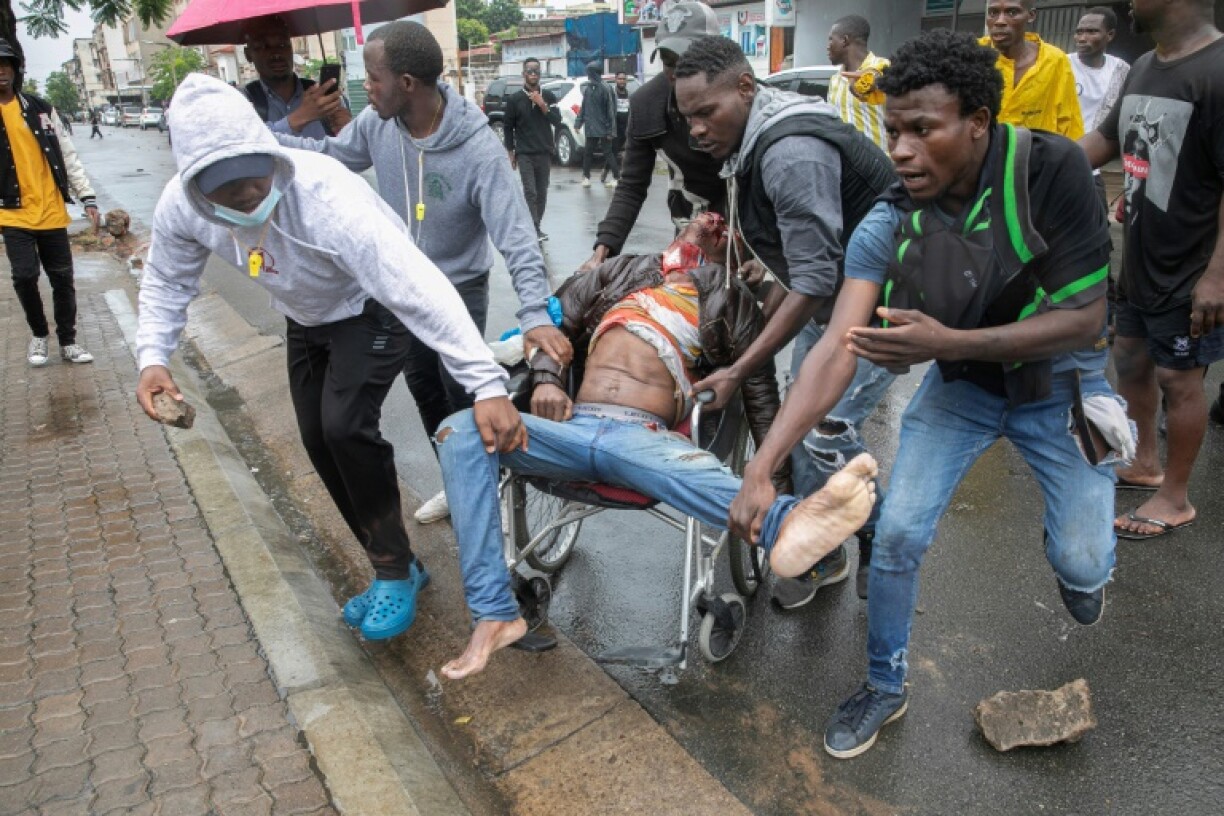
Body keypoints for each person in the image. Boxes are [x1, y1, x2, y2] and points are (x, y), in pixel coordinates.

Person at [731, 29, 1124, 759]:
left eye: (923, 130)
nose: (902, 151)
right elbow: (835, 350)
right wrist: (763, 465)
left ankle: (1078, 560)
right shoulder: (889, 219)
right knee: (900, 534)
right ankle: (884, 685)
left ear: (978, 122)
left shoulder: (1053, 171)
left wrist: (948, 341)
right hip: (964, 390)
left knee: (1082, 562)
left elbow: (1084, 318)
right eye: (893, 132)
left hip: (1061, 383)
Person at [135, 74, 525, 642]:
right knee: (317, 439)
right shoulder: (182, 207)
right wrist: (153, 357)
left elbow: (417, 286)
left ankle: (392, 573)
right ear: (197, 186)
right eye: (226, 190)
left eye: (254, 179)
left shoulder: (327, 199)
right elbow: (166, 280)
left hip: (369, 307)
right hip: (306, 316)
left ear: (268, 155)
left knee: (345, 427)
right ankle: (397, 560)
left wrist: (485, 384)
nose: (247, 197)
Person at [434, 213, 878, 679]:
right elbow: (550, 321)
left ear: (734, 251)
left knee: (697, 473)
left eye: (723, 224)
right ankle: (494, 611)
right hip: (570, 428)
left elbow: (760, 399)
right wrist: (546, 380)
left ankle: (789, 523)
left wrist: (772, 478)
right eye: (700, 215)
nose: (709, 219)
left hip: (641, 439)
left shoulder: (732, 299)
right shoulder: (618, 272)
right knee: (459, 430)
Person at [275, 21, 571, 526]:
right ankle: (458, 484)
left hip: (460, 287)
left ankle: (491, 495)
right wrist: (263, 143)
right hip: (403, 288)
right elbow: (334, 156)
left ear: (406, 83)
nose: (366, 88)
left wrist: (534, 313)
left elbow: (517, 238)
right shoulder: (377, 124)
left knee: (463, 392)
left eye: (373, 78)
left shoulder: (477, 148)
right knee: (426, 392)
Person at [673, 35, 896, 607]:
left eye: (706, 112)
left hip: (886, 307)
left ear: (746, 88)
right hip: (833, 296)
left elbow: (814, 278)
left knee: (822, 431)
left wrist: (739, 368)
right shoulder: (752, 138)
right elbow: (807, 263)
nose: (696, 130)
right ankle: (827, 553)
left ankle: (883, 540)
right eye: (688, 117)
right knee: (797, 424)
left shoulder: (790, 152)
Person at [1080, 0, 1223, 541]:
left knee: (1179, 378)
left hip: (1193, 264)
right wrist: (1033, 164)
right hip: (1141, 252)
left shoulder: (1217, 70)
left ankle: (1175, 497)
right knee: (1130, 358)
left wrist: (1218, 276)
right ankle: (1143, 462)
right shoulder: (1144, 65)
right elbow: (1107, 140)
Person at [581, 1, 726, 272]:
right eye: (669, 63)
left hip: (744, 232)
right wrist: (603, 250)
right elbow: (631, 185)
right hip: (689, 231)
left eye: (689, 62)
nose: (678, 73)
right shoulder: (647, 104)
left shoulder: (737, 99)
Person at [0, 38, 100, 367]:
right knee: (24, 276)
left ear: (16, 70)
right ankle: (39, 335)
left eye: (6, 65)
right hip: (12, 213)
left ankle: (68, 341)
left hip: (52, 211)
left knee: (62, 279)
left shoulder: (40, 109)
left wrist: (86, 196)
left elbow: (67, 154)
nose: (1, 71)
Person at [982, 0, 1084, 139]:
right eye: (993, 12)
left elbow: (1070, 123)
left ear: (1031, 15)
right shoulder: (971, 55)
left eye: (1012, 12)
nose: (1000, 21)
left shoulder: (1055, 61)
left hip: (1037, 151)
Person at [241, 15, 351, 139]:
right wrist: (300, 117)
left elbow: (347, 145)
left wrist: (348, 130)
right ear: (248, 55)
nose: (276, 54)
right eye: (264, 46)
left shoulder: (320, 96)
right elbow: (249, 142)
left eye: (283, 45)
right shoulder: (242, 102)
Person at [1070, 6, 1130, 213]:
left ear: (1109, 35)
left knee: (1098, 223)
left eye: (1092, 32)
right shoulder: (1060, 65)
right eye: (1079, 32)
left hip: (1093, 166)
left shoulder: (1121, 70)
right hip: (1060, 159)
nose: (1082, 38)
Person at [503, 57, 561, 242]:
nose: (533, 74)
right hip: (525, 153)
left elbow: (557, 121)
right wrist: (510, 152)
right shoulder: (514, 99)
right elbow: (508, 127)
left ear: (540, 74)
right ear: (524, 74)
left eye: (536, 71)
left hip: (544, 151)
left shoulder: (549, 96)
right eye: (530, 71)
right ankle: (533, 229)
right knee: (530, 192)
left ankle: (536, 226)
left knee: (542, 193)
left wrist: (542, 105)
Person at [826, 15, 890, 152]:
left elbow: (881, 75)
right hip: (847, 162)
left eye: (831, 39)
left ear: (844, 40)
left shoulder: (883, 67)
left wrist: (875, 81)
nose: (827, 46)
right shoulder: (835, 80)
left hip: (880, 162)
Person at [577, 61, 619, 188]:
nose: (588, 75)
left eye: (590, 72)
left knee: (608, 153)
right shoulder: (588, 89)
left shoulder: (605, 88)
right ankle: (586, 177)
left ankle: (617, 177)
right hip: (591, 127)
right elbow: (584, 107)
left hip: (604, 127)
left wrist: (611, 130)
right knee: (588, 153)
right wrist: (578, 123)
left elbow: (611, 110)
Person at [603, 71, 632, 185]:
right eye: (620, 79)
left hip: (626, 127)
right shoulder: (612, 94)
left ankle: (606, 169)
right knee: (614, 151)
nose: (622, 81)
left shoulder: (629, 94)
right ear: (616, 80)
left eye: (624, 79)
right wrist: (608, 128)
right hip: (615, 127)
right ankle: (614, 176)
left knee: (624, 151)